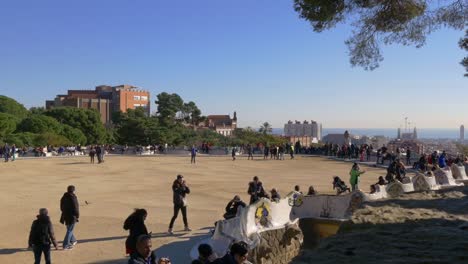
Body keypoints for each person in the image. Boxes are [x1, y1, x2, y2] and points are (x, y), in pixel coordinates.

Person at [60, 185, 79, 250]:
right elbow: (76, 208)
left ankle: (73, 240)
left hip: (65, 216)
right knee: (70, 230)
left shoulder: (64, 196)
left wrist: (64, 211)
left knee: (69, 229)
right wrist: (77, 216)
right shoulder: (73, 197)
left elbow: (61, 206)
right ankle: (65, 245)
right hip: (72, 217)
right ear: (73, 190)